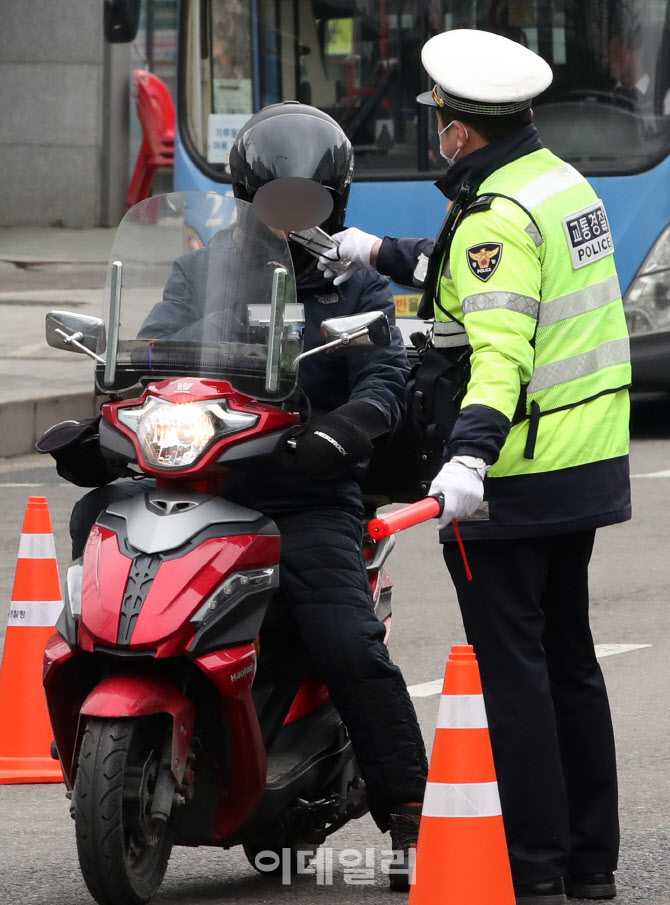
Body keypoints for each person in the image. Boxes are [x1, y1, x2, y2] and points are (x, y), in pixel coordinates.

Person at [64, 102, 427, 890]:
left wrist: (345, 430)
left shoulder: (353, 282)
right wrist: (103, 420)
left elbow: (385, 377)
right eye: (276, 201)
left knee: (344, 638)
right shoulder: (204, 269)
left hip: (304, 493)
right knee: (94, 517)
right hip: (206, 474)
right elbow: (152, 350)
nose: (291, 218)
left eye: (309, 202)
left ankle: (408, 809)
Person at [318, 29, 631, 905]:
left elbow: (498, 348)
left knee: (514, 670)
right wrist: (371, 250)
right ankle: (587, 864)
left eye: (440, 120)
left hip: (512, 472)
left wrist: (466, 457)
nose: (437, 132)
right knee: (569, 659)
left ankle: (530, 869)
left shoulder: (497, 213)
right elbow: (469, 273)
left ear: (460, 129)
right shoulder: (556, 184)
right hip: (582, 458)